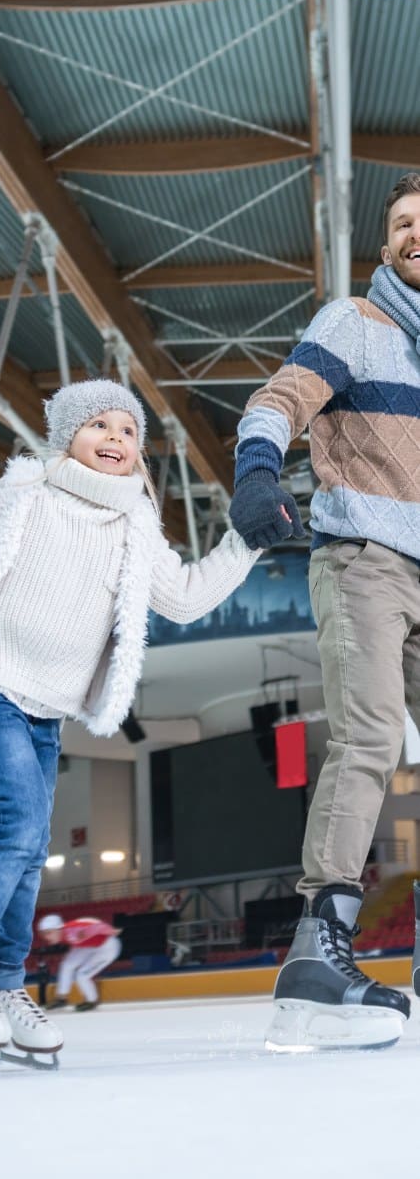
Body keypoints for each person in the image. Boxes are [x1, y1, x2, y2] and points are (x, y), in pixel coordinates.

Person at [0, 379, 259, 1062]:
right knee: (19, 823)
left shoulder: (135, 527)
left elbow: (185, 598)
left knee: (31, 844)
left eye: (127, 431)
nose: (114, 438)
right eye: (97, 424)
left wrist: (245, 543)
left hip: (46, 708)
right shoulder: (26, 491)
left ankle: (7, 987)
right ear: (65, 435)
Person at [229, 171, 420, 1052]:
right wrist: (258, 473)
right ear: (387, 244)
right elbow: (278, 400)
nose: (416, 233)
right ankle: (320, 947)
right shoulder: (356, 323)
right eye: (404, 223)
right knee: (372, 735)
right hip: (365, 561)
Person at [36, 912, 121, 1010]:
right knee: (67, 965)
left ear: (59, 929)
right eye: (43, 934)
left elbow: (96, 925)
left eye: (48, 933)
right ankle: (61, 998)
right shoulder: (64, 934)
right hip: (87, 946)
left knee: (82, 975)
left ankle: (91, 1000)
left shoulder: (74, 931)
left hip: (107, 947)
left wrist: (110, 930)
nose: (46, 937)